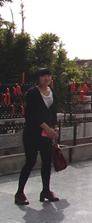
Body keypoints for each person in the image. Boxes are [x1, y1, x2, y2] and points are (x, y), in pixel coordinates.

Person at [15, 68, 59, 205]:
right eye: (43, 76)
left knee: (47, 162)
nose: (46, 78)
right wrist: (47, 127)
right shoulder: (32, 92)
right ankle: (19, 193)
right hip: (32, 133)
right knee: (30, 161)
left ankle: (46, 190)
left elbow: (53, 112)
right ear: (38, 78)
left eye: (48, 76)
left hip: (46, 134)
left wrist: (55, 128)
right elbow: (30, 114)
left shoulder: (52, 92)